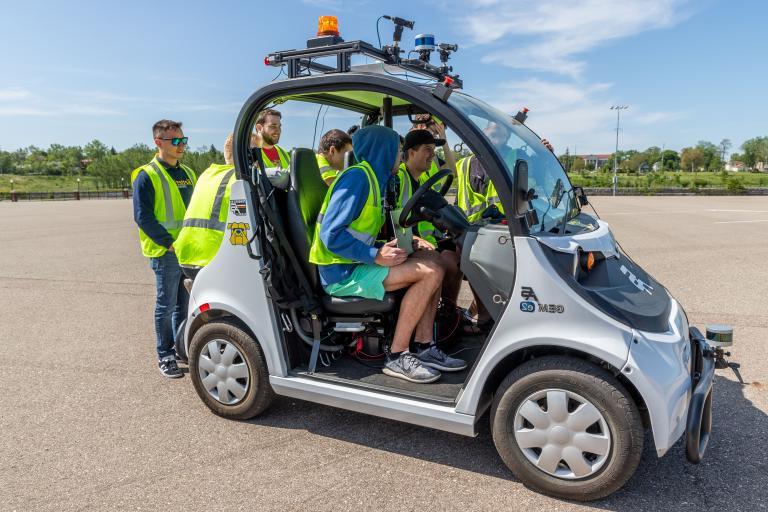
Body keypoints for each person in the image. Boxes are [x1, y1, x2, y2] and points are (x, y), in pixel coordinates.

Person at [309, 125, 466, 383]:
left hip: (356, 264)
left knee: (434, 260)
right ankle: (397, 355)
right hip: (341, 274)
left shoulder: (376, 180)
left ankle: (424, 346)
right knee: (430, 272)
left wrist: (400, 243)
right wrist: (375, 254)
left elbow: (360, 229)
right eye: (397, 152)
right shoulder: (358, 178)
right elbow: (331, 235)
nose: (400, 158)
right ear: (383, 151)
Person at [131, 119, 197, 378]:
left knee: (184, 304)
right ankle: (165, 354)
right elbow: (142, 216)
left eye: (183, 140)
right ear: (158, 142)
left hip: (189, 250)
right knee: (166, 304)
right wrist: (168, 243)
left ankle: (181, 348)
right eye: (175, 141)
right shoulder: (147, 175)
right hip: (166, 252)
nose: (181, 145)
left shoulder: (189, 173)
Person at [393, 129, 462, 305]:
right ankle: (445, 314)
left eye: (434, 150)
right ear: (411, 152)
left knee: (458, 256)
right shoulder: (398, 179)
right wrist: (414, 238)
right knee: (447, 261)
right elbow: (389, 221)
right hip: (405, 247)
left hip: (425, 242)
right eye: (428, 150)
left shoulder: (422, 181)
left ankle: (448, 311)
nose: (433, 155)